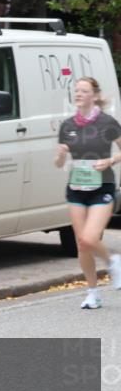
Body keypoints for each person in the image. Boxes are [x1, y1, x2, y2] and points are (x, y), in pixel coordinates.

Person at [54, 76, 121, 309]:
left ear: (94, 95)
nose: (79, 94)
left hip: (102, 186)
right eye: (76, 90)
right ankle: (93, 293)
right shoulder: (68, 125)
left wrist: (110, 160)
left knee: (90, 238)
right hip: (76, 188)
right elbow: (58, 163)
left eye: (84, 90)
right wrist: (60, 155)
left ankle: (113, 261)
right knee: (82, 244)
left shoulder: (107, 123)